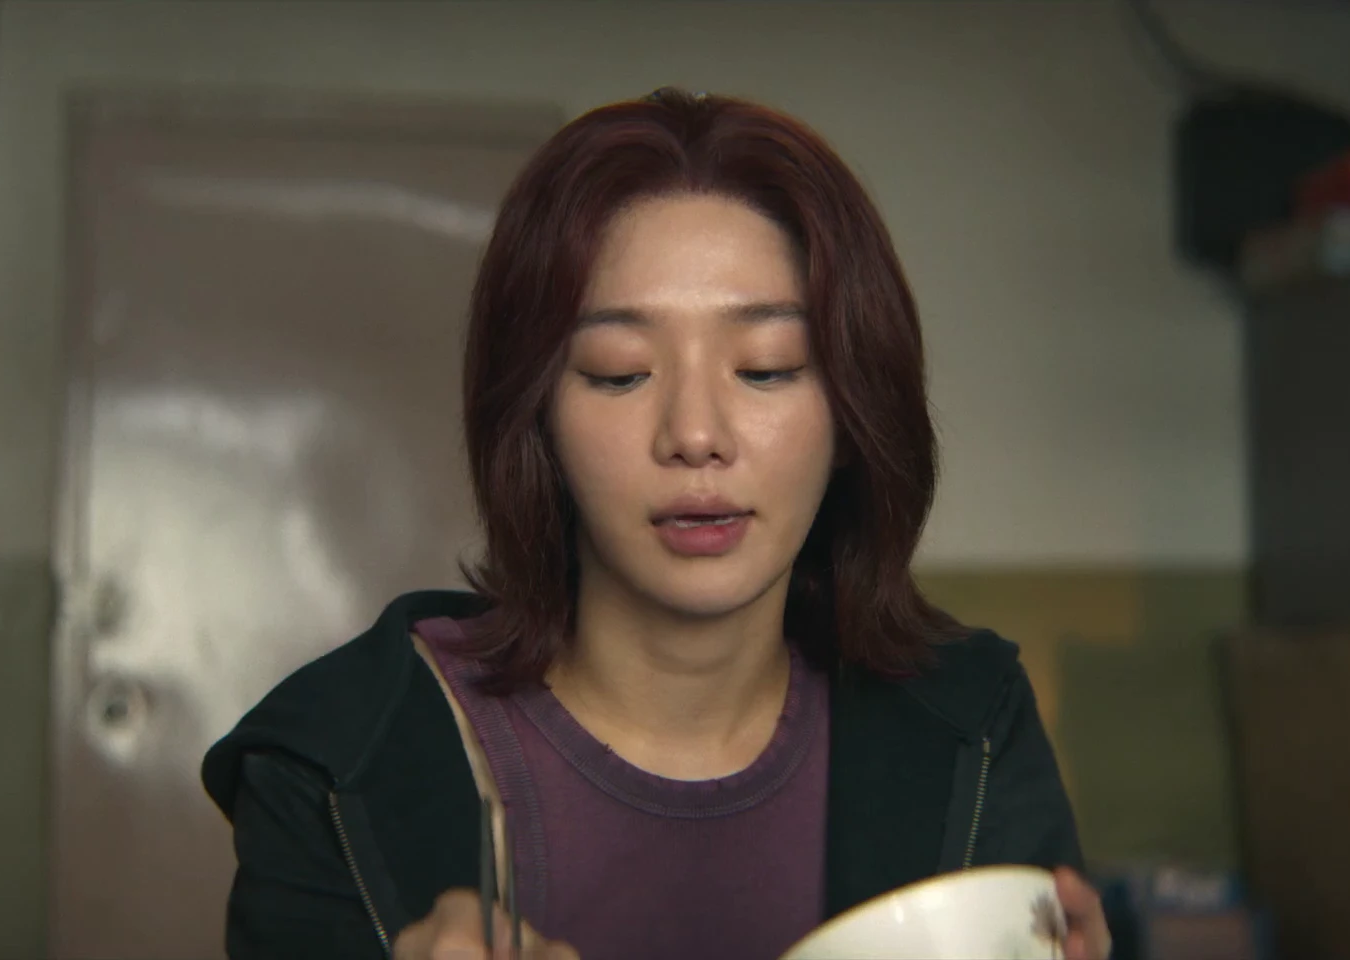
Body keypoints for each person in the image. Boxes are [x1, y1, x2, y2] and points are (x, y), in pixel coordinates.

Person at [201, 87, 1110, 960]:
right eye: (619, 371)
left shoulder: (968, 728)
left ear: (852, 414)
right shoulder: (336, 766)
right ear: (537, 418)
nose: (696, 435)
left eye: (766, 367)